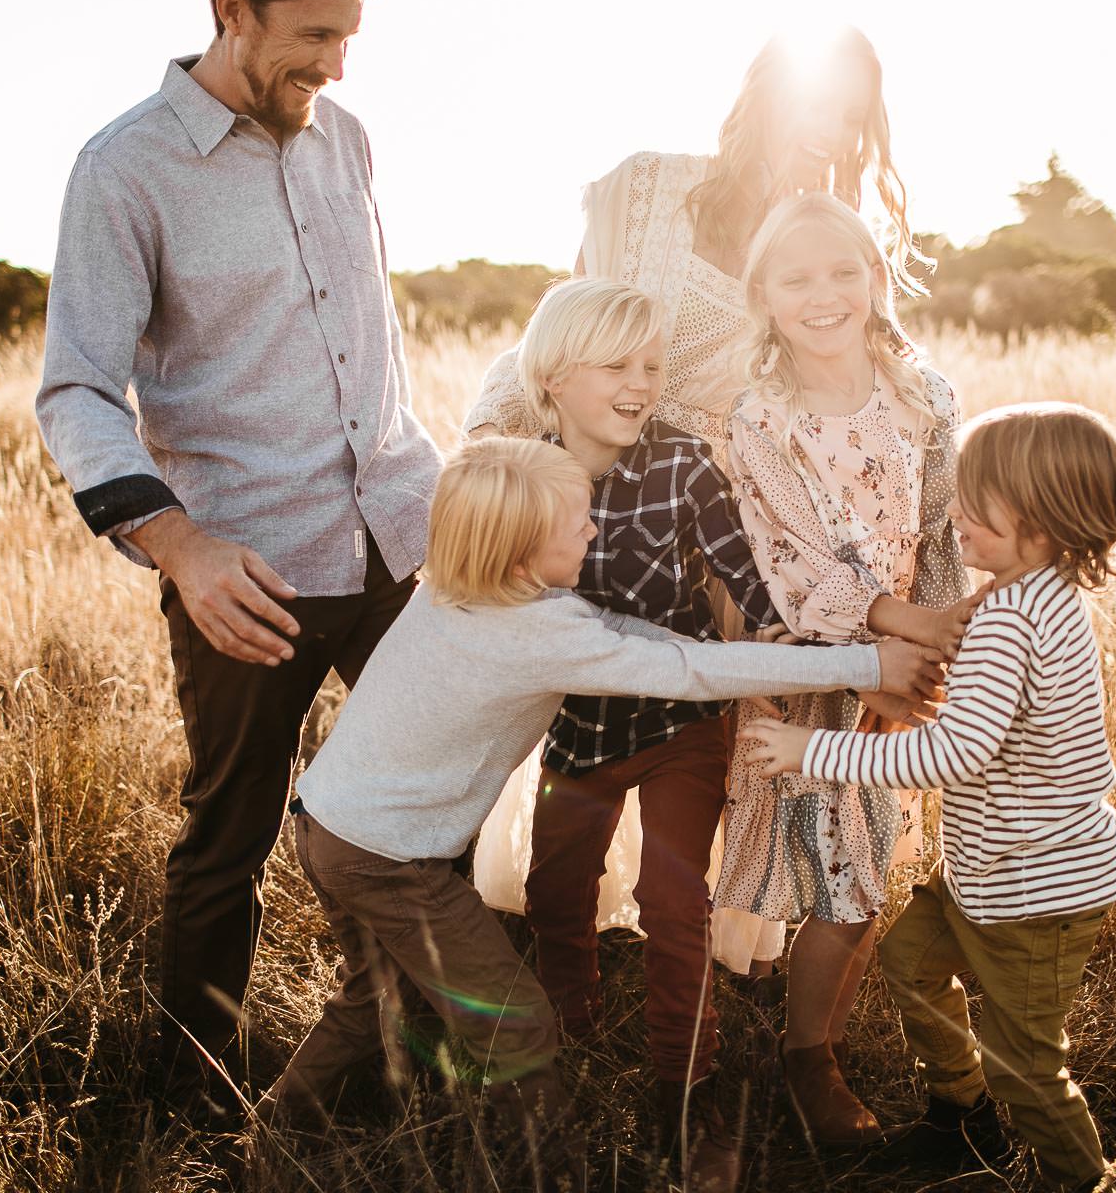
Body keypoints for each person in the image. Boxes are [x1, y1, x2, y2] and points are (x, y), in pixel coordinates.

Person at [255, 437, 946, 1186]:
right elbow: (681, 670)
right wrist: (864, 663)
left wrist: (726, 648)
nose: (594, 530)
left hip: (329, 825)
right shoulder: (533, 634)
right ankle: (548, 1170)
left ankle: (271, 1129)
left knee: (373, 997)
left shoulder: (462, 590)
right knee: (518, 1022)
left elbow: (622, 637)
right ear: (522, 557)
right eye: (578, 523)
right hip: (389, 861)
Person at [466, 26, 967, 981]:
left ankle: (710, 952)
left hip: (742, 518)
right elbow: (576, 319)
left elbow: (881, 370)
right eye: (819, 104)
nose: (832, 134)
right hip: (611, 498)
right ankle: (559, 935)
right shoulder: (649, 189)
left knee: (726, 748)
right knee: (583, 719)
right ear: (764, 96)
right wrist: (499, 461)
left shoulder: (821, 237)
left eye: (853, 119)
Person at [34, 0, 441, 1120]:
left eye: (351, 36)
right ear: (232, 10)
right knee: (232, 834)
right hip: (244, 571)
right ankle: (195, 1096)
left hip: (400, 541)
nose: (339, 66)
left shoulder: (345, 141)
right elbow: (75, 389)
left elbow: (372, 348)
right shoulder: (123, 168)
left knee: (433, 805)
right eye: (315, 36)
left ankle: (424, 1060)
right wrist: (181, 548)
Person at [742, 402, 1116, 1191]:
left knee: (1028, 1064)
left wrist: (809, 749)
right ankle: (961, 1112)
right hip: (994, 872)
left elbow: (953, 752)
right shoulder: (1032, 596)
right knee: (910, 958)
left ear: (1043, 516)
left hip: (1035, 892)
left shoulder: (1013, 620)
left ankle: (1083, 1178)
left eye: (978, 503)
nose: (955, 513)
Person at [501, 279, 818, 1191]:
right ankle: (575, 1034)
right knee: (557, 888)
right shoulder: (521, 472)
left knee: (674, 901)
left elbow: (743, 573)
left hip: (682, 718)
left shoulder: (682, 463)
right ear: (555, 378)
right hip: (580, 726)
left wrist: (782, 644)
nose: (642, 384)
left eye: (653, 366)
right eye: (618, 366)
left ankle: (687, 1083)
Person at [719, 191, 981, 1148]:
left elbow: (942, 529)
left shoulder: (925, 393)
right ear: (764, 295)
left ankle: (808, 1041)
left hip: (909, 660)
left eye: (845, 271)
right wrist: (890, 640)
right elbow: (787, 560)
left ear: (877, 277)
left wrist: (939, 654)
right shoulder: (761, 415)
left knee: (866, 858)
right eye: (797, 277)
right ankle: (790, 1049)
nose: (824, 294)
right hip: (808, 652)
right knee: (804, 846)